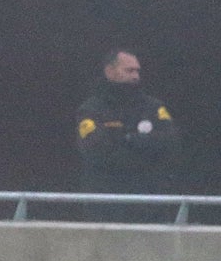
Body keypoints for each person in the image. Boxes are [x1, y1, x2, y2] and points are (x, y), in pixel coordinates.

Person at [76, 49, 183, 222]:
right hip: (106, 206)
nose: (135, 76)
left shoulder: (153, 107)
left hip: (150, 205)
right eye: (129, 70)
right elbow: (97, 151)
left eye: (137, 71)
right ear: (110, 71)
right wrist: (144, 155)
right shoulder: (91, 109)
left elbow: (170, 142)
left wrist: (129, 139)